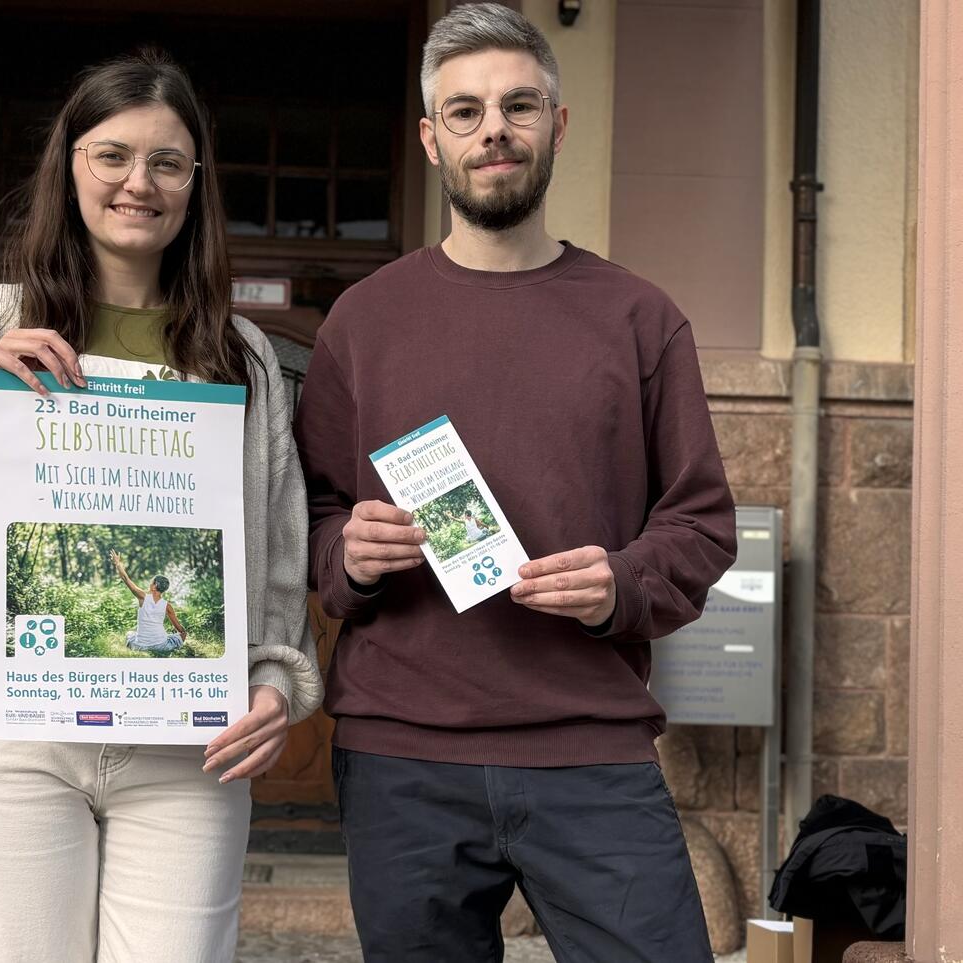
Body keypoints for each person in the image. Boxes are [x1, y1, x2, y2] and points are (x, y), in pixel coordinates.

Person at [292, 5, 736, 962]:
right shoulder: (361, 325)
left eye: (518, 105)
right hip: (402, 749)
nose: (493, 128)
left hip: (592, 746)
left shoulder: (640, 318)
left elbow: (700, 527)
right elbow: (311, 520)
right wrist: (349, 553)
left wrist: (622, 582)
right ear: (431, 139)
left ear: (557, 126)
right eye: (464, 111)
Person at [0, 49, 322, 963]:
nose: (137, 183)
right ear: (69, 165)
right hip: (11, 722)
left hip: (187, 741)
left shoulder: (243, 356)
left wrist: (276, 681)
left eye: (167, 162)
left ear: (196, 183)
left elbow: (276, 554)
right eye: (112, 155)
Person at [110, 549, 186, 653]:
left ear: (155, 586)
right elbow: (180, 630)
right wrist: (182, 633)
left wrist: (117, 563)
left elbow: (125, 578)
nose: (150, 584)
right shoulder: (167, 606)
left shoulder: (142, 597)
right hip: (161, 646)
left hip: (140, 646)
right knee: (181, 635)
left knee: (129, 634)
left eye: (151, 582)